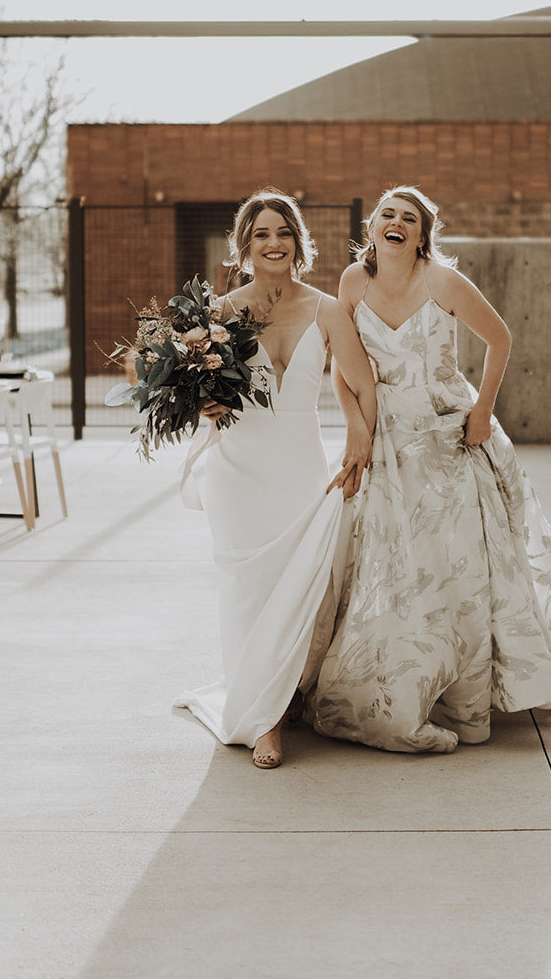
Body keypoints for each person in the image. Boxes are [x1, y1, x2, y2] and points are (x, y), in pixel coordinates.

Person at [310, 186, 551, 754]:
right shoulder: (351, 283)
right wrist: (355, 427)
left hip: (446, 430)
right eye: (388, 214)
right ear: (372, 227)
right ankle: (396, 677)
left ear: (423, 235)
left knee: (454, 559)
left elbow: (500, 338)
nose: (397, 223)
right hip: (383, 432)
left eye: (410, 218)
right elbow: (343, 367)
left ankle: (462, 693)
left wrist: (482, 412)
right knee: (388, 558)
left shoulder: (442, 282)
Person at [176, 190, 376, 770]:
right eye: (261, 234)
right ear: (244, 246)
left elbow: (363, 385)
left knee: (298, 590)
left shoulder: (327, 310)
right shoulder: (217, 314)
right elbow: (188, 392)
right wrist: (204, 404)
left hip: (301, 470)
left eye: (283, 232)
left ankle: (284, 691)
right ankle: (262, 722)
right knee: (247, 593)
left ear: (298, 242)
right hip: (238, 472)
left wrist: (359, 438)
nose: (273, 243)